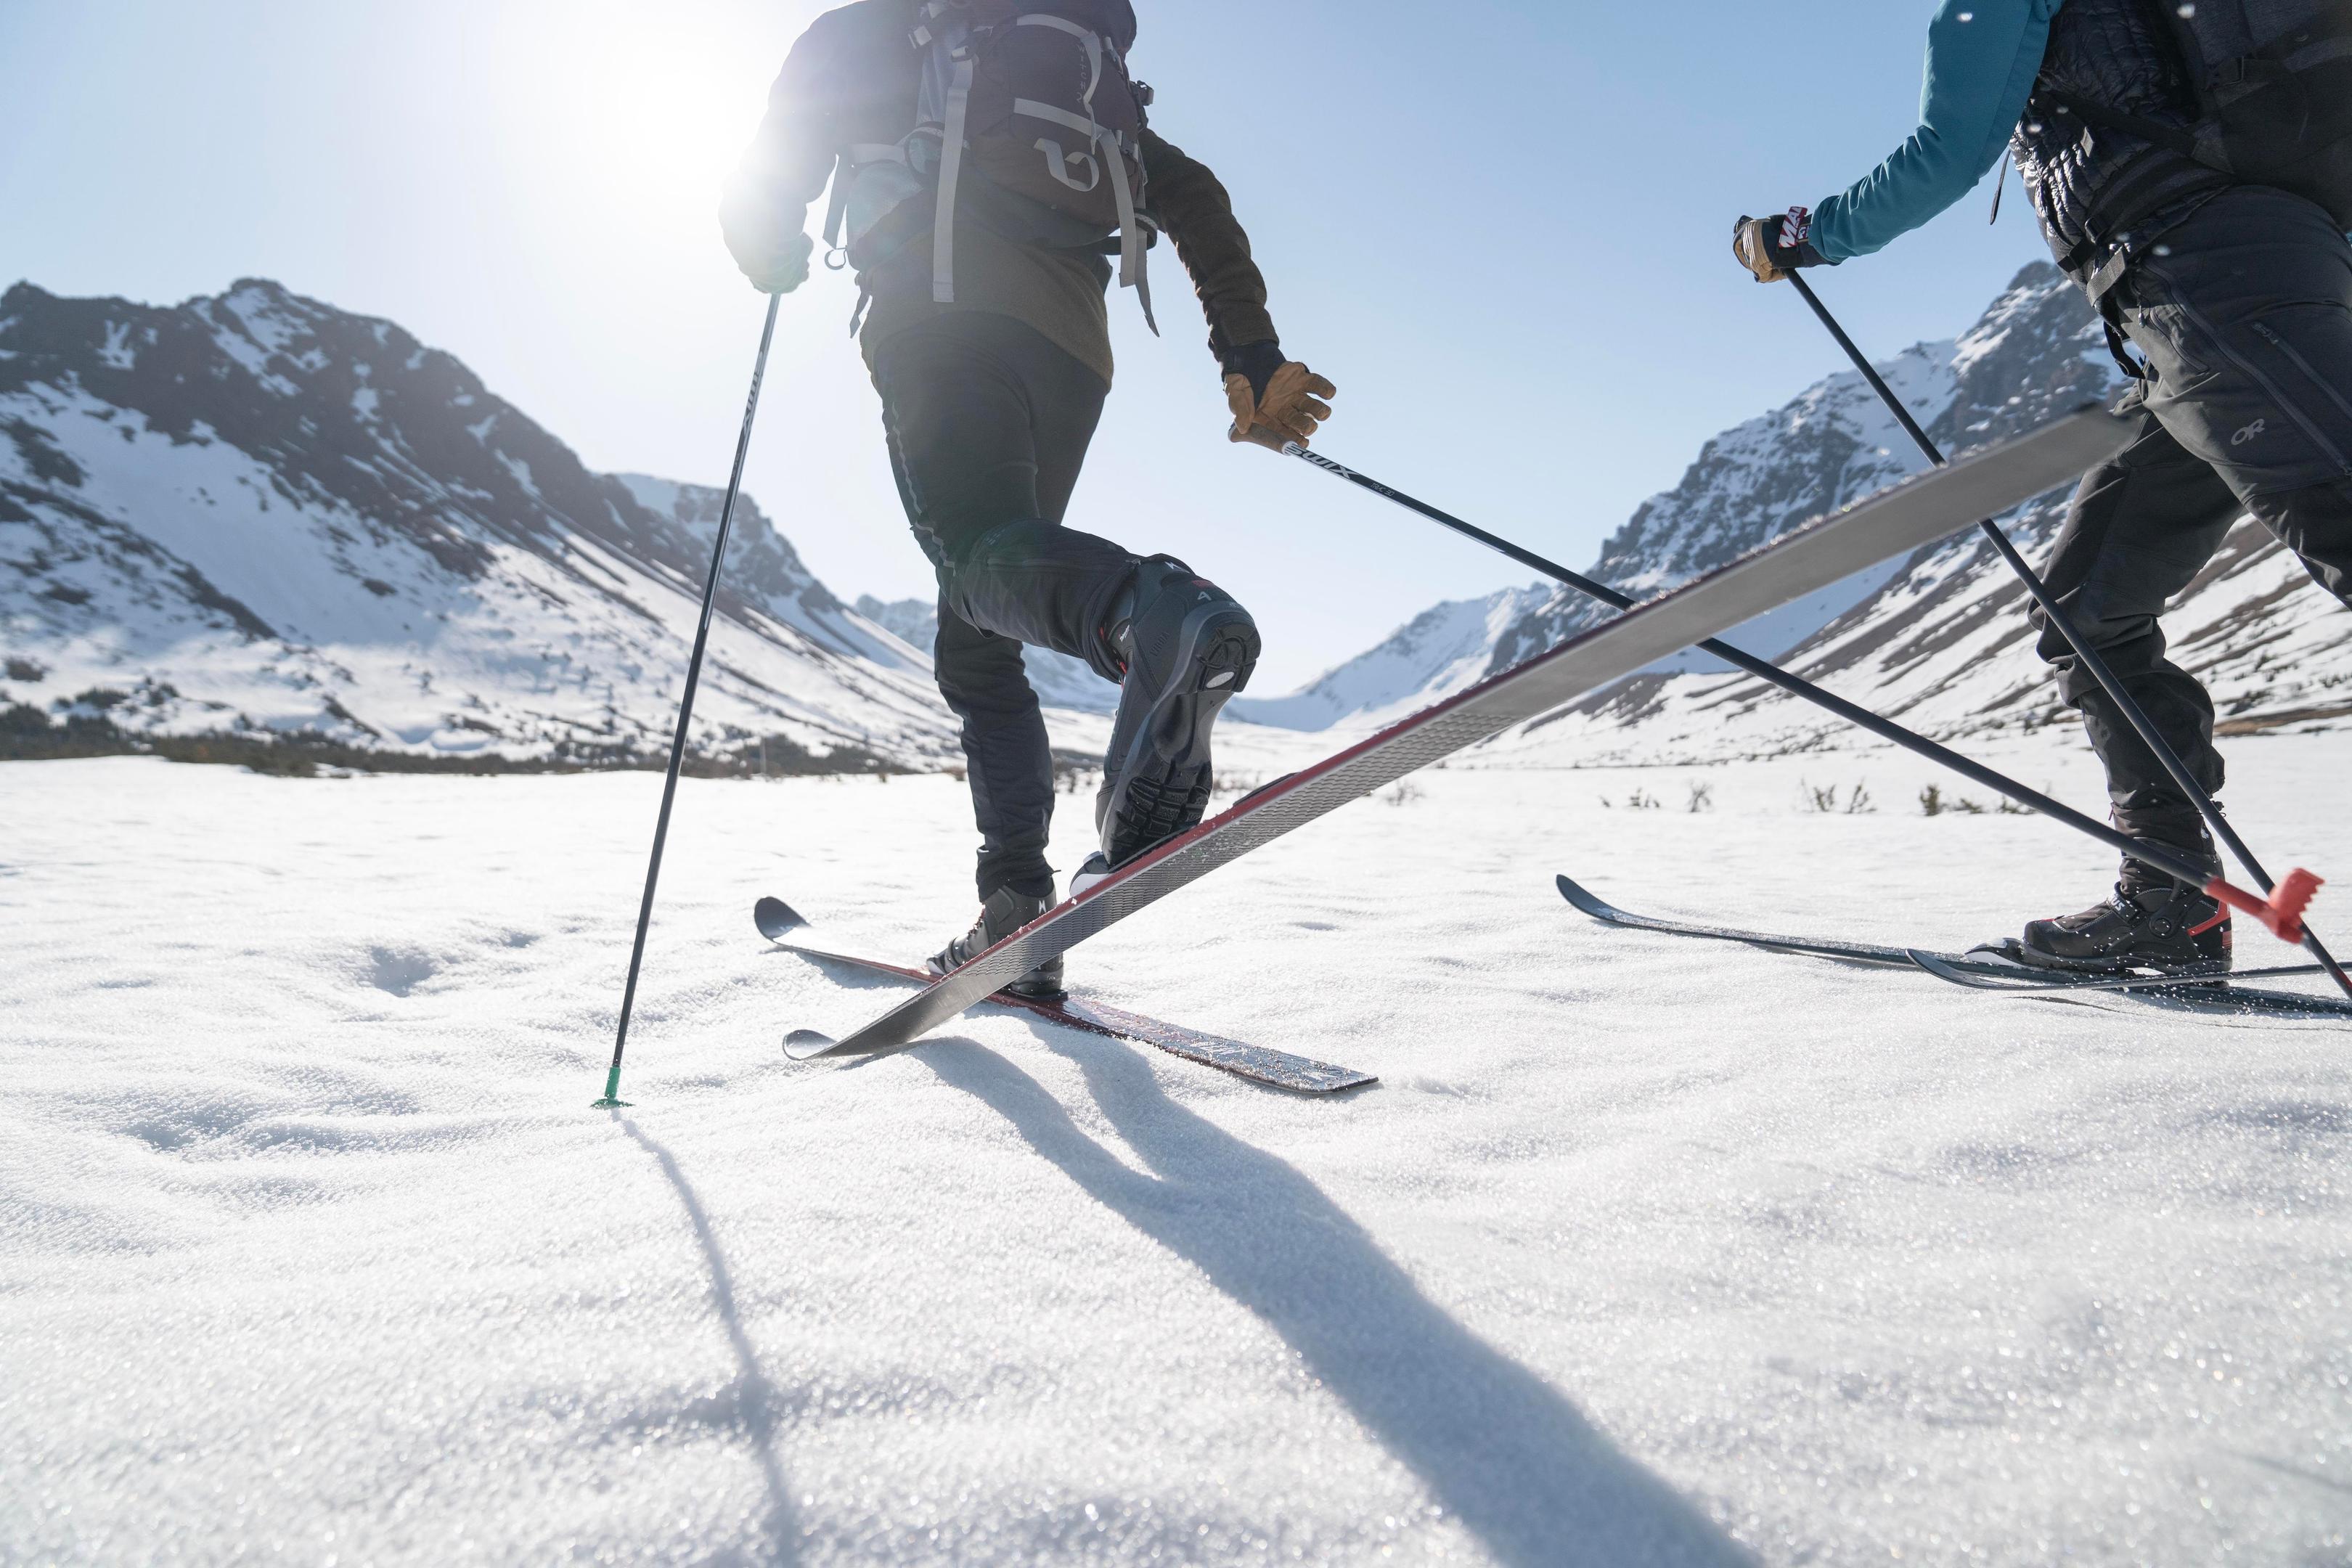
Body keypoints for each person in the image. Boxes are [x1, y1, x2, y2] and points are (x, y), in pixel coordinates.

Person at [719, 0, 1334, 998]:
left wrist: (769, 247)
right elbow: (1199, 200)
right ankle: (1014, 901)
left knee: (973, 564)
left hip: (940, 314)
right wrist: (1250, 359)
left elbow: (760, 192)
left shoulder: (870, 32)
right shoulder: (1085, 82)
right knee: (980, 625)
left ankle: (1146, 612)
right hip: (1071, 355)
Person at [1731, 0, 2352, 974]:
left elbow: (1948, 150)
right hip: (2204, 300)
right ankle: (2171, 901)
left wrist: (1802, 236)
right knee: (2088, 613)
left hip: (2213, 280)